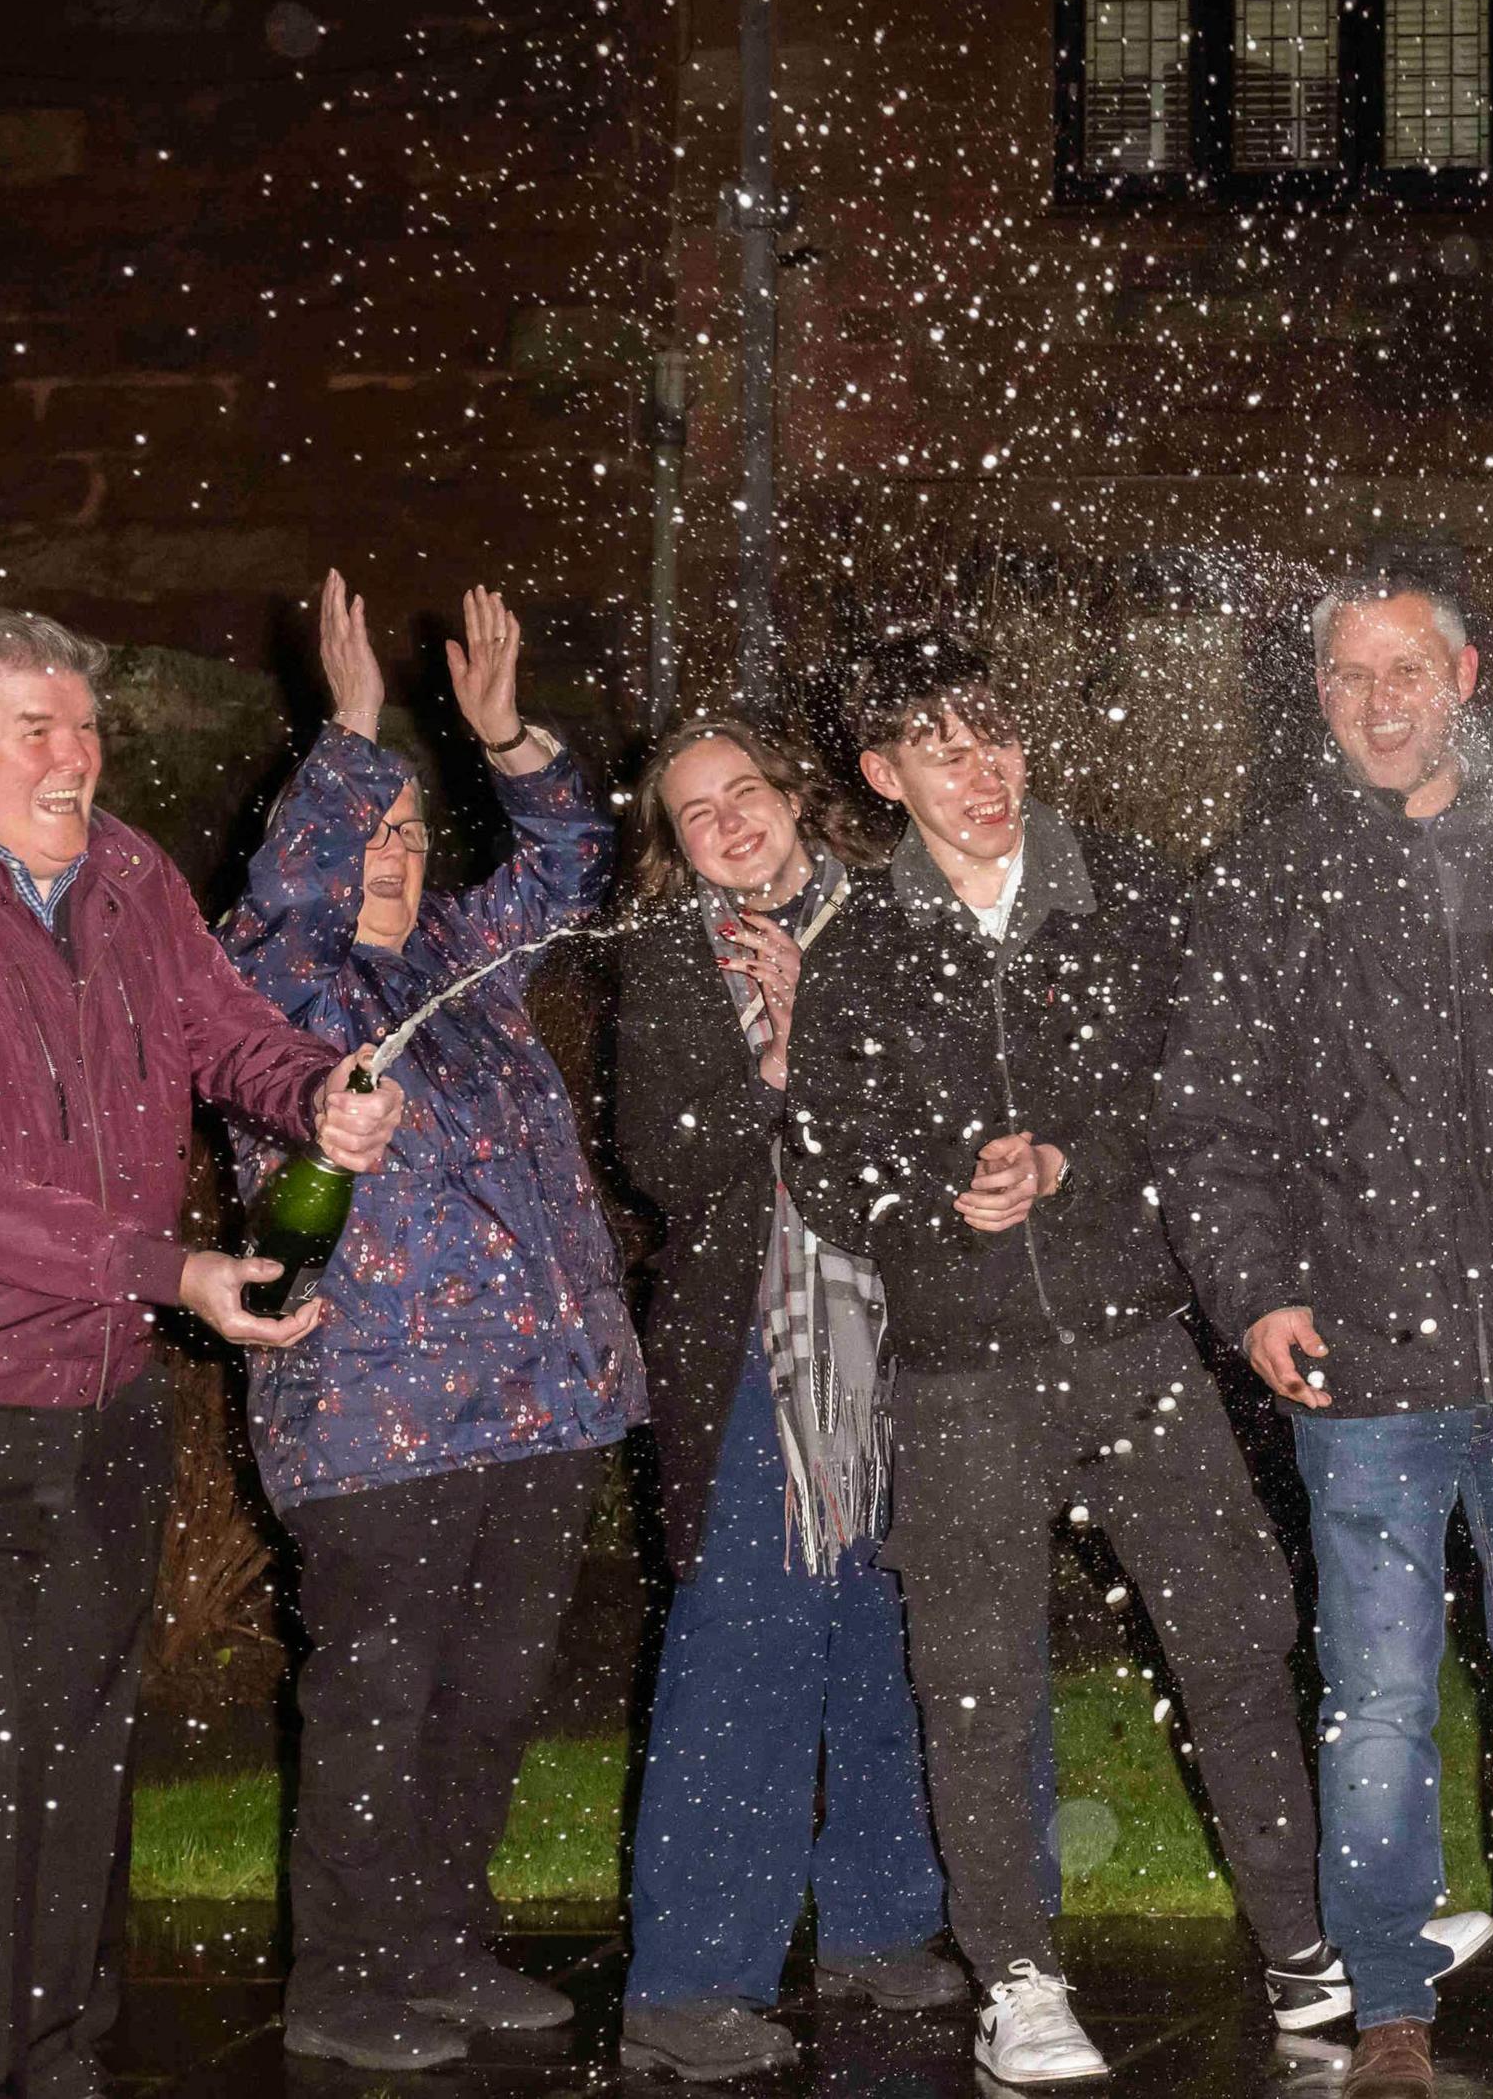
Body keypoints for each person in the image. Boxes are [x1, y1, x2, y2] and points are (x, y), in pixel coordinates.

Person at [0, 605, 402, 2099]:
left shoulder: (129, 871)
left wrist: (313, 1090)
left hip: (106, 1389)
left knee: (82, 1747)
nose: (79, 753)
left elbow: (224, 1030)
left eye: (85, 723)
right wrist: (172, 1267)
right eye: (37, 727)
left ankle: (63, 2064)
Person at [1156, 574, 1493, 2099]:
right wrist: (1256, 1286)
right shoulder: (1261, 881)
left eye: (1409, 667)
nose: (1382, 700)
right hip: (1367, 1371)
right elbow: (1207, 1124)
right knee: (1380, 1699)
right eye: (1347, 675)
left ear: (1464, 672)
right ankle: (1388, 1999)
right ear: (1314, 695)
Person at [784, 635, 1334, 2089]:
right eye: (941, 748)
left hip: (1135, 1342)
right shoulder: (864, 951)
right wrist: (930, 1193)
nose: (982, 774)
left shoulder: (1138, 895)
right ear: (883, 774)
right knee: (974, 1676)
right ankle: (1017, 1976)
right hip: (959, 1370)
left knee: (1234, 1634)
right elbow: (832, 1162)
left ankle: (1305, 1944)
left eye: (997, 738)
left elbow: (1206, 1088)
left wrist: (1076, 1162)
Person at [212, 575, 645, 2070]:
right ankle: (340, 1976)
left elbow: (575, 859)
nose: (390, 853)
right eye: (365, 831)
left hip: (542, 1401)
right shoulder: (272, 981)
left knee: (490, 1692)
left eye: (407, 829)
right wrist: (348, 733)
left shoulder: (464, 962)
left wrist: (506, 735)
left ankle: (441, 1943)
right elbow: (280, 893)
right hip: (377, 1416)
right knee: (380, 1701)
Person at [606, 718, 966, 2080]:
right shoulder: (668, 959)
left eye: (742, 791)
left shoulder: (892, 914)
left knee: (883, 1618)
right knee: (745, 1637)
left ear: (794, 798)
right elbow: (660, 1158)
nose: (729, 821)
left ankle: (881, 1922)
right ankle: (690, 1976)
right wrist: (775, 1065)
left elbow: (945, 1107)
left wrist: (835, 1029)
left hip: (905, 1326)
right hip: (756, 1337)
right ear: (677, 844)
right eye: (695, 813)